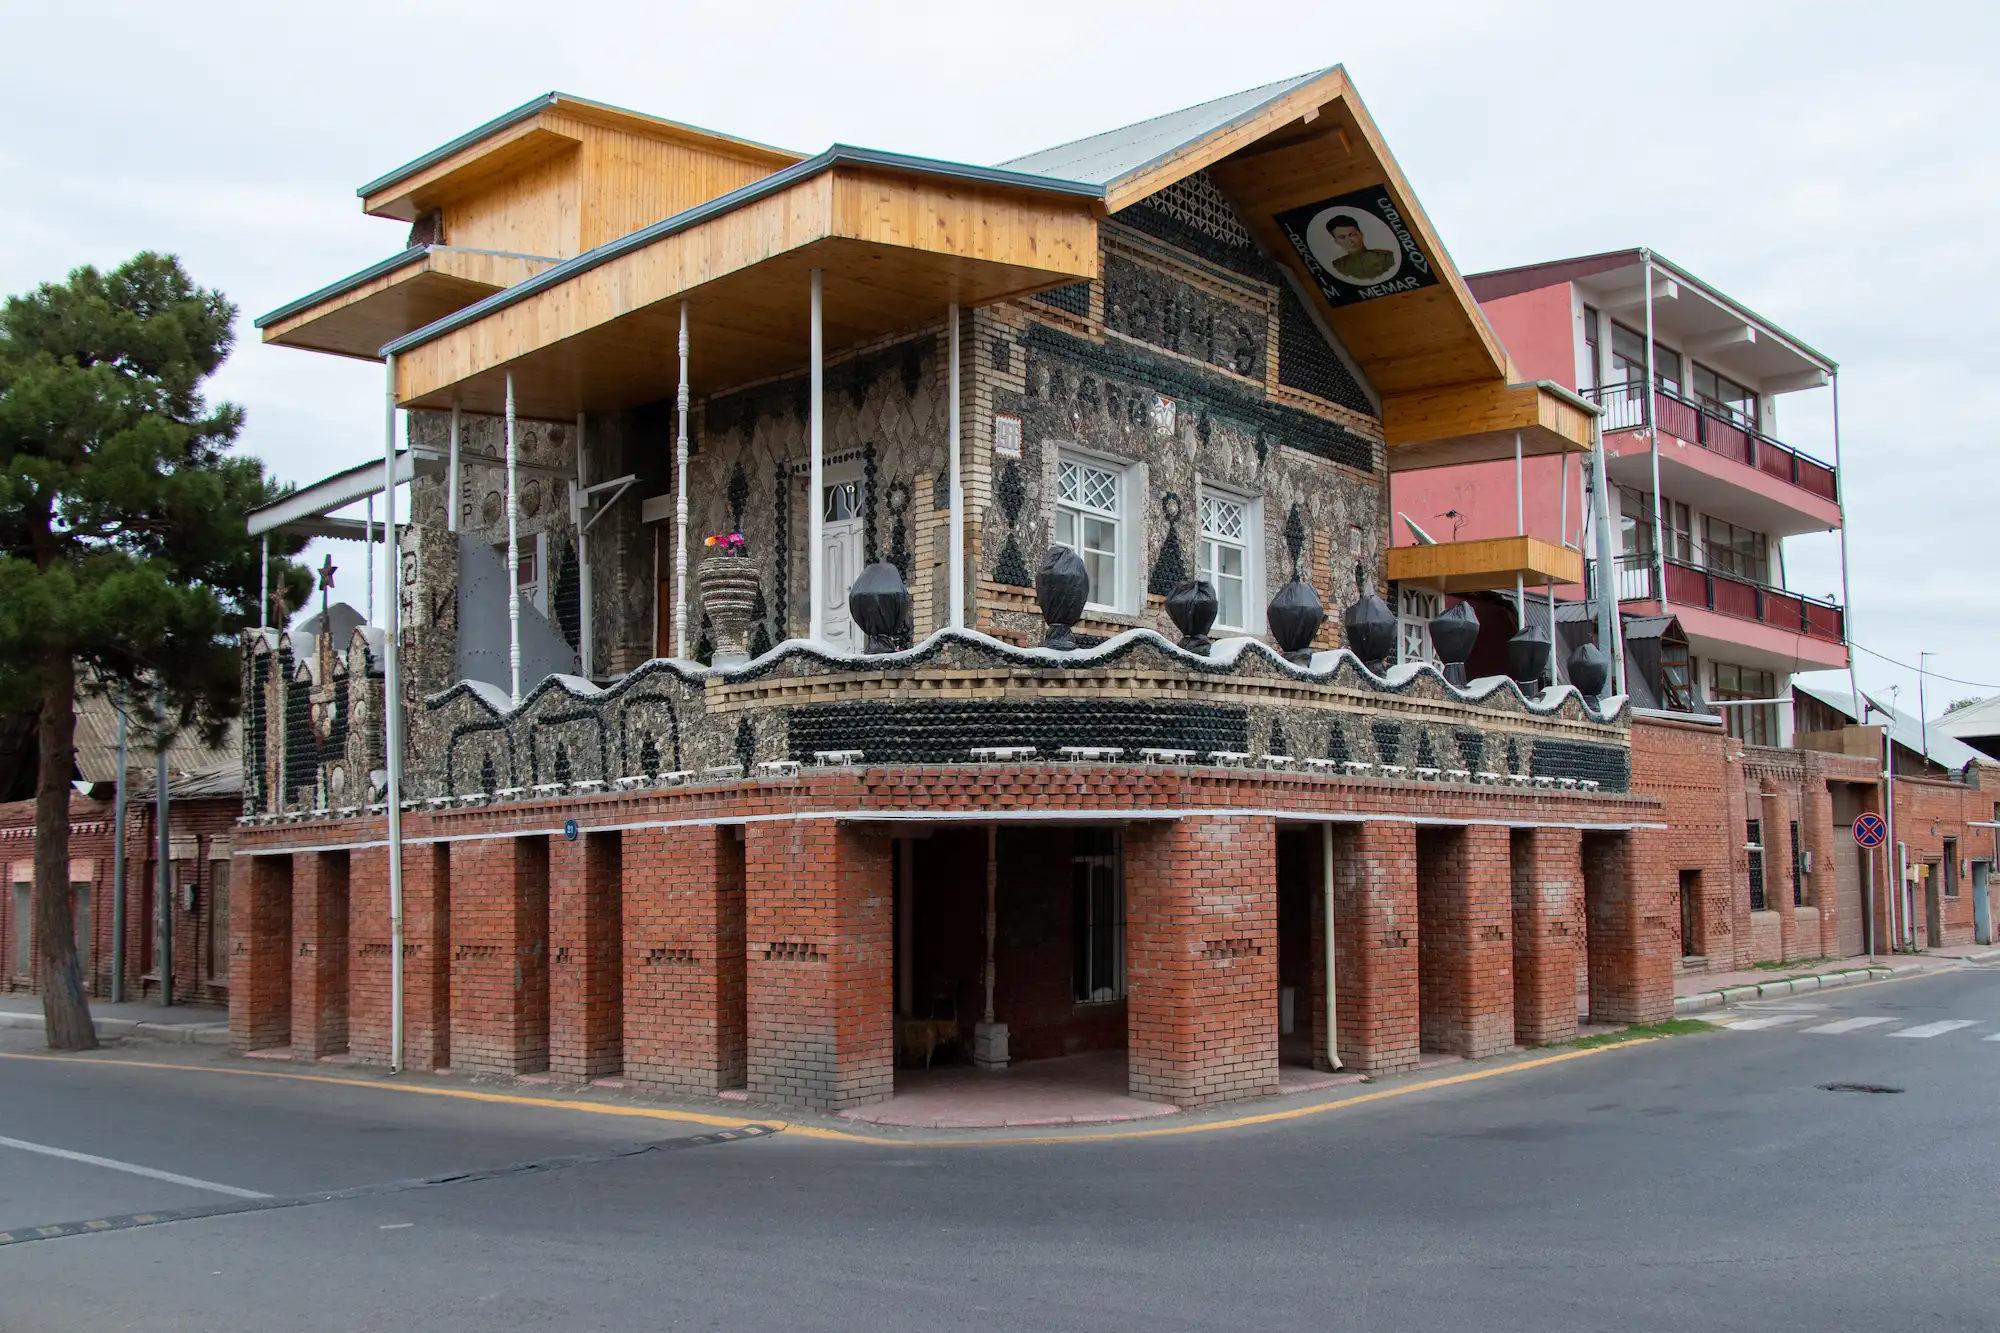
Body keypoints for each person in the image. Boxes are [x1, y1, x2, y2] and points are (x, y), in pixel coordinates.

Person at [1325, 215, 1396, 282]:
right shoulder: (1339, 266)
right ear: (1337, 242)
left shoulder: (1386, 257)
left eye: (1353, 235)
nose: (1350, 241)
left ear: (1361, 235)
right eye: (1342, 237)